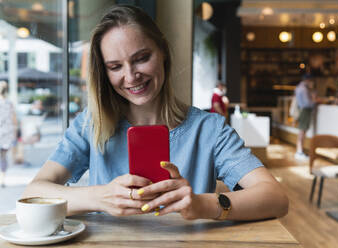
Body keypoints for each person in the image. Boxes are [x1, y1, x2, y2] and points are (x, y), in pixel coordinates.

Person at [22, 5, 288, 220]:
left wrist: (201, 205)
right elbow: (33, 192)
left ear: (163, 53)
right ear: (104, 73)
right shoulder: (91, 124)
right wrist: (99, 197)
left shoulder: (210, 129)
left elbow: (275, 198)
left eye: (141, 58)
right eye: (115, 66)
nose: (130, 76)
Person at [294, 74, 316, 161]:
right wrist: (314, 100)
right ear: (307, 80)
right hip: (305, 111)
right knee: (302, 132)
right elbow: (307, 103)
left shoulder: (299, 87)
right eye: (311, 81)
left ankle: (299, 151)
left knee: (301, 131)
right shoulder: (304, 89)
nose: (311, 83)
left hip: (301, 111)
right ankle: (299, 152)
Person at [0, 81, 17, 187]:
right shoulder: (9, 103)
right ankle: (2, 179)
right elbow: (14, 120)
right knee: (3, 157)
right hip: (6, 134)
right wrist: (15, 134)